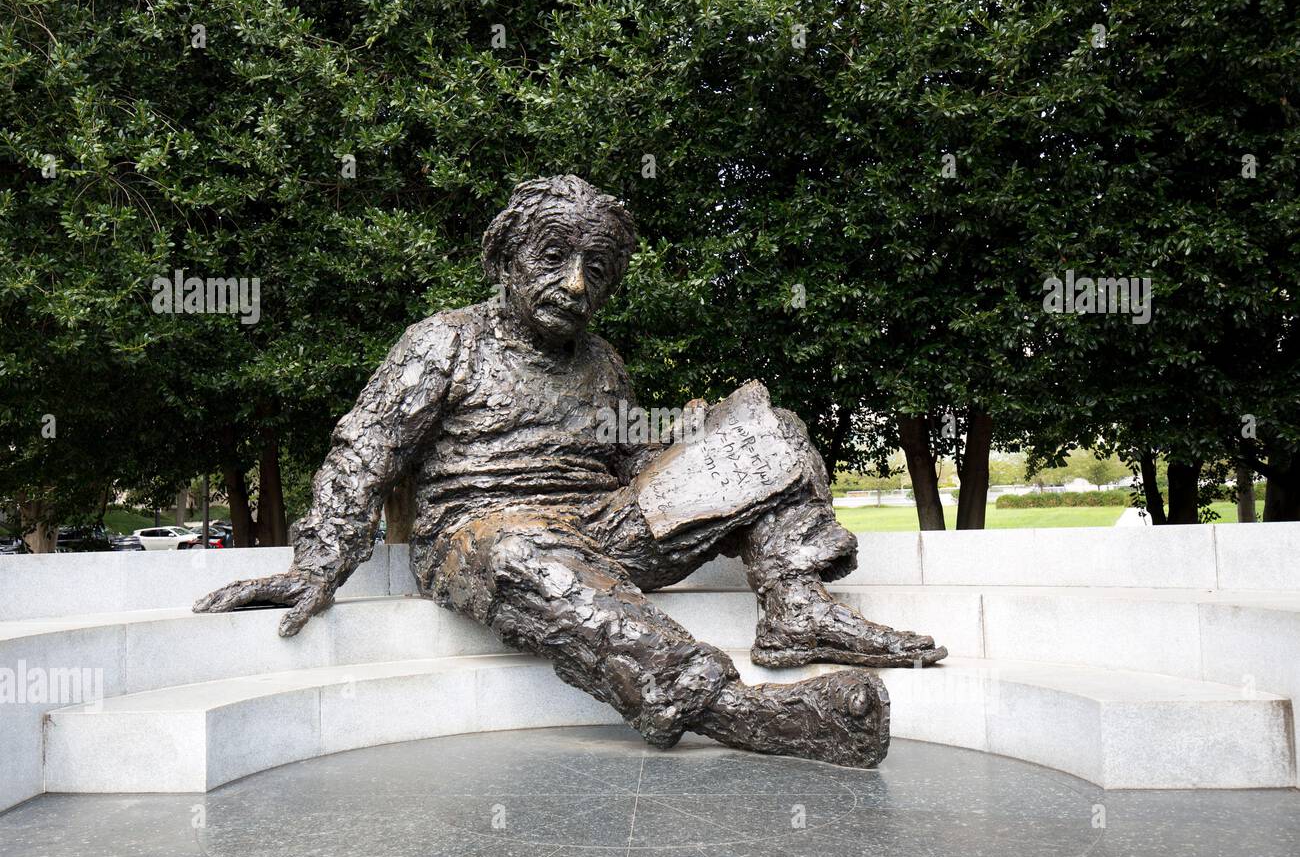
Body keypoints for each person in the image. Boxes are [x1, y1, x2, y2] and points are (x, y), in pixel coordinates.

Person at [196, 175, 946, 767]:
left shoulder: (603, 362)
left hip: (604, 527)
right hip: (481, 536)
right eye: (553, 258)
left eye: (598, 269)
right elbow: (365, 450)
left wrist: (687, 443)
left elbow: (637, 467)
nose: (577, 285)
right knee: (516, 552)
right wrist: (317, 564)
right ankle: (735, 711)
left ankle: (796, 607)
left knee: (763, 432)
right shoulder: (443, 343)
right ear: (505, 261)